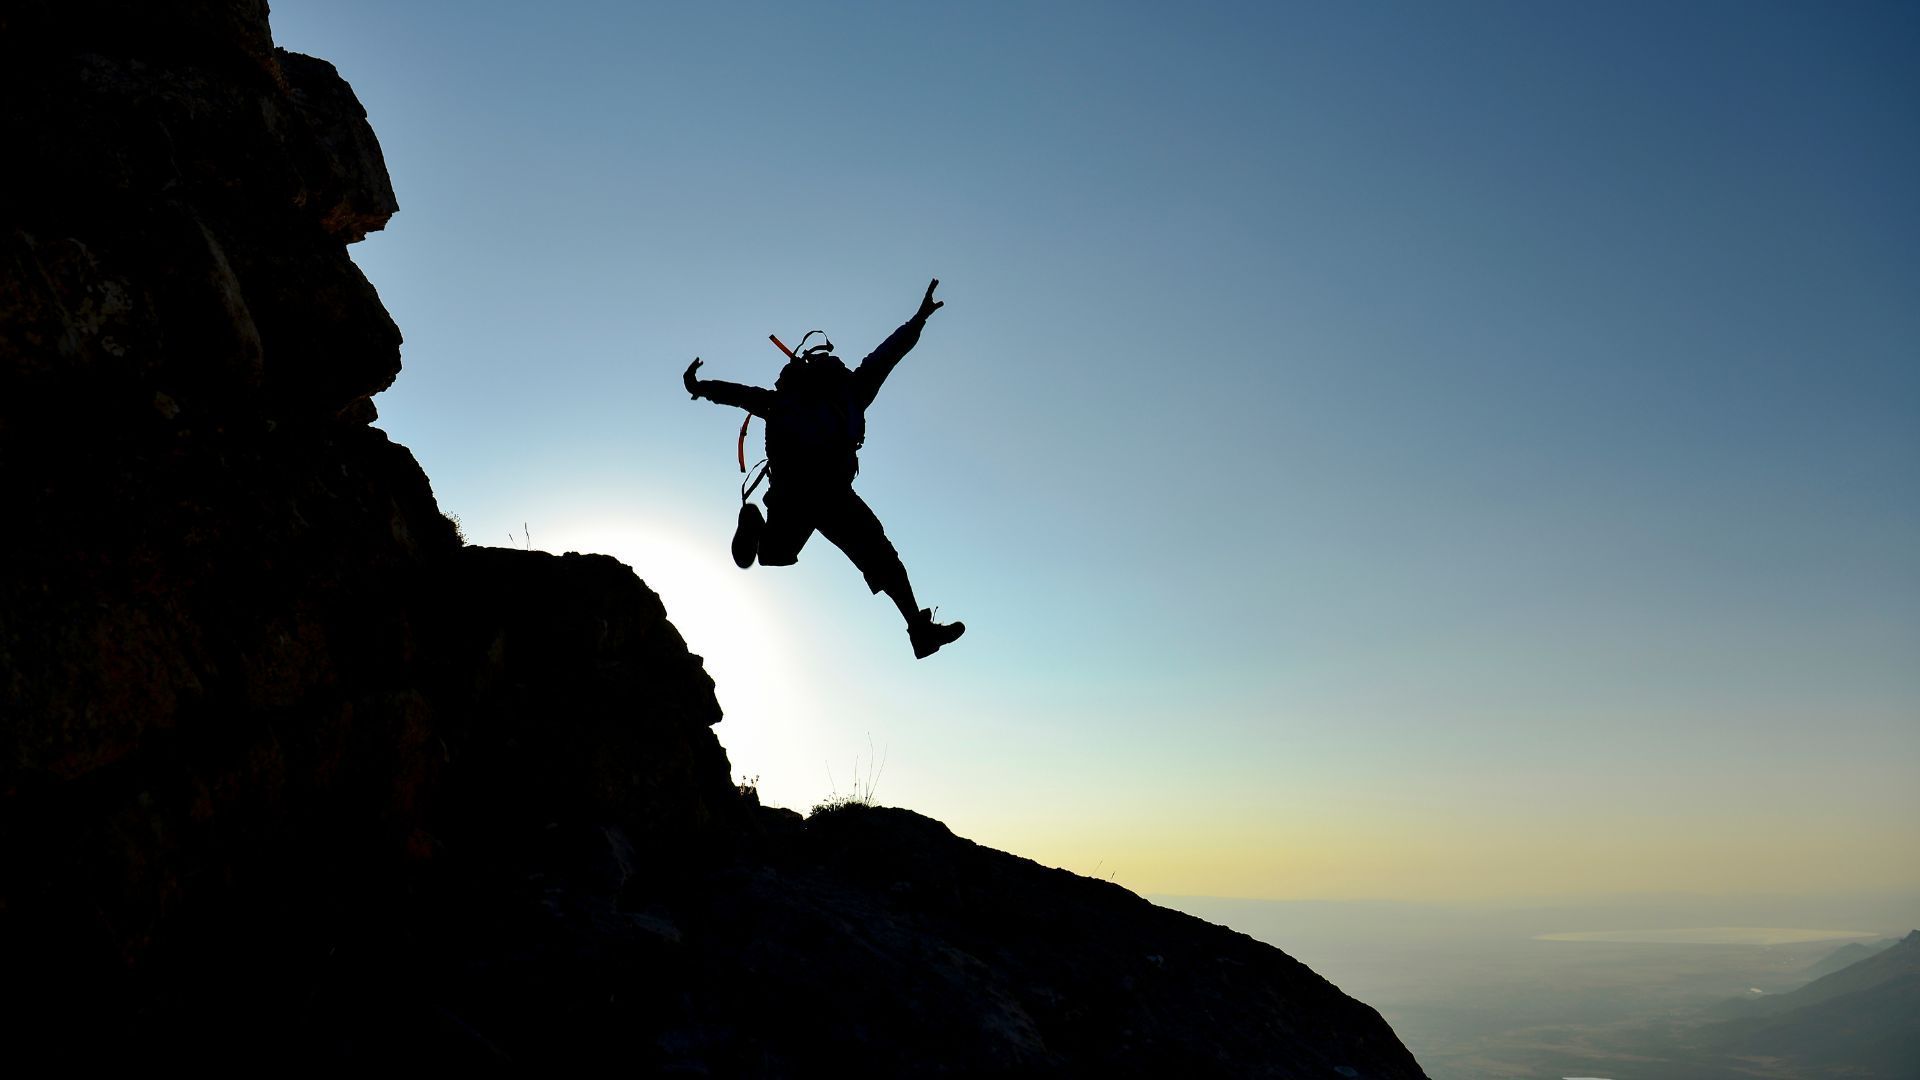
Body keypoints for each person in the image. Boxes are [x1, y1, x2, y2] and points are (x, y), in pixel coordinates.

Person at [682, 279, 965, 659]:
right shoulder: (852, 392)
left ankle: (756, 529)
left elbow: (738, 395)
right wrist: (918, 320)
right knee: (881, 557)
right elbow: (888, 355)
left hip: (796, 493)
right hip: (830, 494)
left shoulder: (786, 401)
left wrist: (700, 386)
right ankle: (917, 630)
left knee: (779, 554)